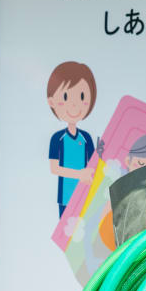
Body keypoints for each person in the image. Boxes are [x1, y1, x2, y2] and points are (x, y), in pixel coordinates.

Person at [47, 61, 97, 217]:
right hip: (66, 197)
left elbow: (93, 164)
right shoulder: (57, 138)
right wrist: (79, 174)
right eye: (66, 96)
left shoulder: (86, 137)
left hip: (85, 196)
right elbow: (54, 168)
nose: (75, 105)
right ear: (51, 101)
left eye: (82, 96)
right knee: (66, 237)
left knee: (84, 236)